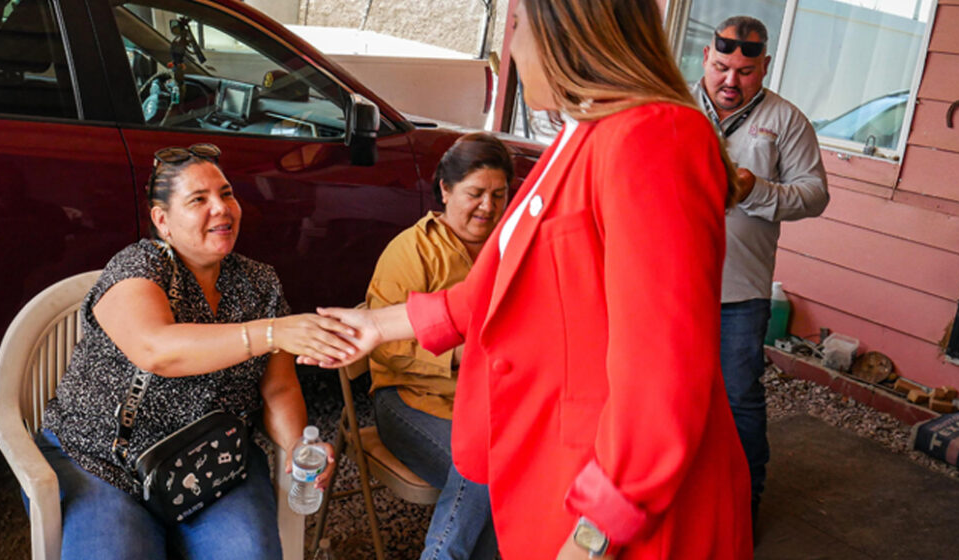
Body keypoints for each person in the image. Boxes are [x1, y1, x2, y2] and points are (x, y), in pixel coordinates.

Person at [305, 0, 752, 557]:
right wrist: (376, 324)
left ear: (564, 33)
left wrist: (596, 530)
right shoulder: (584, 133)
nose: (511, 48)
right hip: (562, 468)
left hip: (623, 499)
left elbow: (661, 370)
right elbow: (499, 290)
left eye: (519, 29)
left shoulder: (652, 135)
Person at [39, 143, 355, 559]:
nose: (221, 209)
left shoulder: (259, 284)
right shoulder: (138, 266)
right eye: (199, 200)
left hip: (212, 459)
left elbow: (277, 389)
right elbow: (156, 350)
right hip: (102, 460)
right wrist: (271, 332)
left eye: (226, 194)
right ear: (162, 220)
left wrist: (298, 444)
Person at [691, 15, 829, 518]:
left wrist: (757, 191)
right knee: (665, 390)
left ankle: (743, 502)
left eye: (746, 72)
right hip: (668, 284)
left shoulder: (787, 121)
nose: (731, 81)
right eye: (722, 67)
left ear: (765, 66)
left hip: (740, 291)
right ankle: (677, 495)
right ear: (706, 57)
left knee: (738, 397)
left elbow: (815, 195)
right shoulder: (674, 107)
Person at [367, 132, 512, 560]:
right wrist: (460, 357)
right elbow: (384, 349)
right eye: (475, 193)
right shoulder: (411, 250)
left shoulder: (510, 249)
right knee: (483, 468)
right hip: (408, 400)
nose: (487, 206)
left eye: (499, 195)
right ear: (445, 190)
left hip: (491, 404)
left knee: (525, 476)